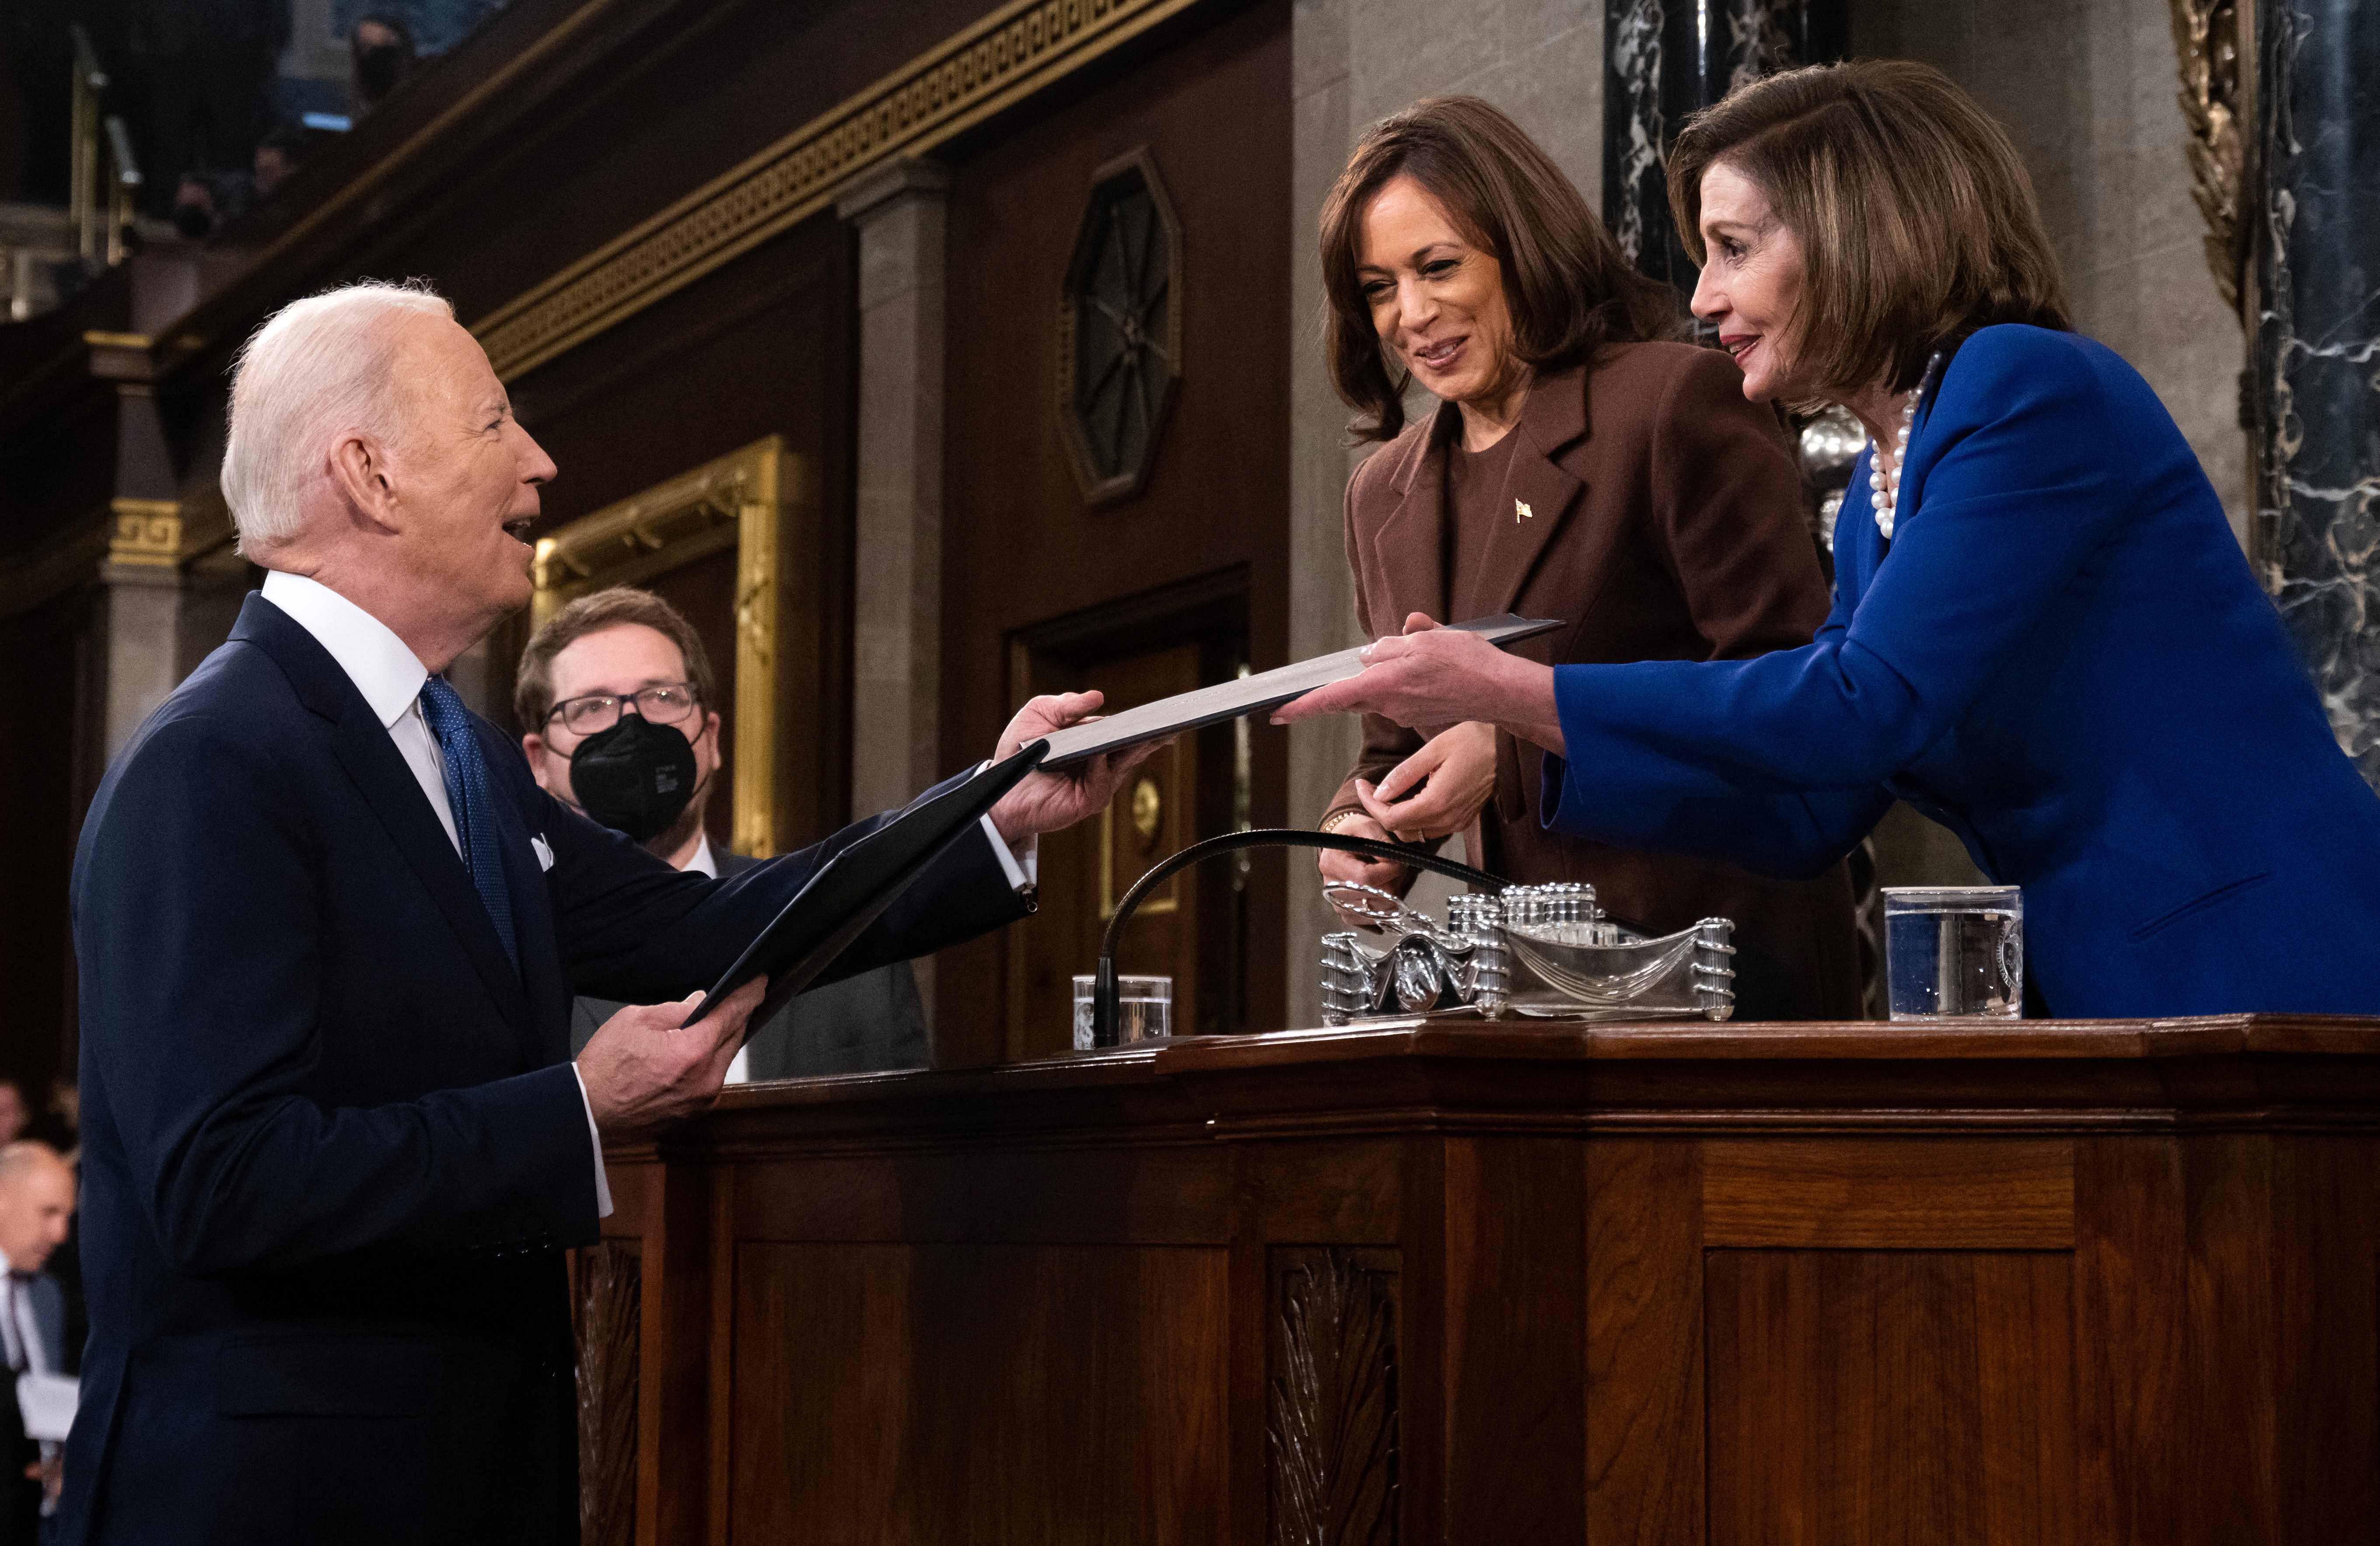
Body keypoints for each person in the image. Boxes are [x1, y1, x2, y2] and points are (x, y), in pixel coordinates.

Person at [64, 280, 1152, 1544]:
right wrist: (575, 1109)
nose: (539, 461)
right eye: (492, 426)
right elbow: (226, 1182)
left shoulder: (448, 746)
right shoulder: (216, 761)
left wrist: (990, 814)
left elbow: (702, 923)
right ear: (368, 473)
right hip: (276, 1501)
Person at [1277, 60, 2380, 1018]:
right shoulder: (1868, 501)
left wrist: (1519, 698)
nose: (1703, 297)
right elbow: (1814, 804)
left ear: (1851, 235)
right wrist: (1540, 757)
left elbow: (1859, 705)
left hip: (2263, 959)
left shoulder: (2021, 384)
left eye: (1732, 248)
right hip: (2109, 983)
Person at [1310, 95, 1858, 1019]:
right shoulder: (1382, 494)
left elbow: (1791, 696)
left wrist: (1517, 751)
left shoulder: (1672, 402)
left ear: (1519, 246)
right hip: (1530, 1015)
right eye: (1376, 287)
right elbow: (1395, 743)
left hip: (1722, 981)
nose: (1411, 313)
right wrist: (1359, 825)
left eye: (1437, 266)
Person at [516, 588, 932, 1078]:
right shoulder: (513, 964)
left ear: (711, 738)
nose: (632, 727)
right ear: (538, 761)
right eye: (592, 707)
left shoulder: (837, 923)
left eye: (662, 697)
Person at [0, 1143, 75, 1544]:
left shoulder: (49, 1296)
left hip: (47, 1521)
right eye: (49, 1213)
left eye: (67, 1217)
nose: (61, 1234)